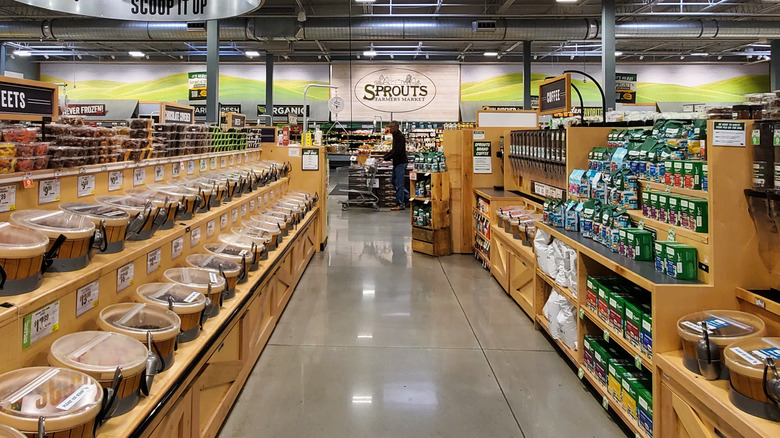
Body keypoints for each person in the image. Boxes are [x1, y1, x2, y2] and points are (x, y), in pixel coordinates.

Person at [383, 121, 410, 211]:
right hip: (397, 163)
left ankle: (400, 204)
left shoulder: (400, 137)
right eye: (389, 127)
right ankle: (409, 197)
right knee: (394, 182)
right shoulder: (395, 136)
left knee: (399, 184)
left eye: (392, 127)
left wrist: (385, 158)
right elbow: (394, 150)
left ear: (397, 127)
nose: (390, 128)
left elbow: (396, 151)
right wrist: (385, 157)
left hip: (401, 163)